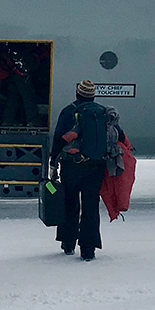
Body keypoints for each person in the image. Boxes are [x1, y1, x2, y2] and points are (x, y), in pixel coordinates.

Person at [50, 79, 110, 261]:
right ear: (93, 96)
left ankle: (68, 243)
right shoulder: (101, 112)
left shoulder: (69, 111)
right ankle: (88, 248)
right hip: (95, 166)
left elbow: (59, 139)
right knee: (91, 206)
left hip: (72, 165)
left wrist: (53, 162)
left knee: (70, 202)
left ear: (77, 94)